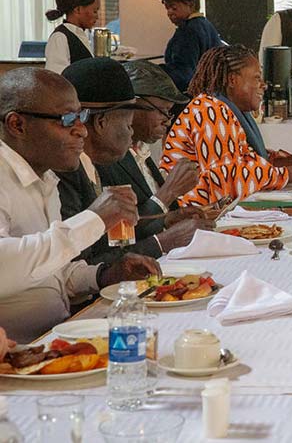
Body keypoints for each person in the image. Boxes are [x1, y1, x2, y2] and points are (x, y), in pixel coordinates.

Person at [0, 67, 159, 342]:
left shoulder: (45, 178)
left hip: (58, 337)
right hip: (16, 357)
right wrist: (95, 219)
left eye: (81, 117)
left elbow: (50, 273)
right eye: (67, 119)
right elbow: (5, 265)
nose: (81, 131)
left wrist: (105, 275)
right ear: (17, 125)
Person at [57, 58, 209, 265]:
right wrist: (161, 241)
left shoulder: (93, 162)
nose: (130, 132)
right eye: (127, 123)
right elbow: (82, 262)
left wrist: (164, 221)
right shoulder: (66, 172)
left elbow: (115, 236)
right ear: (101, 122)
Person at [162, 45, 292, 206]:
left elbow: (248, 161)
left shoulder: (223, 107)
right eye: (257, 78)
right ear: (232, 80)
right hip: (193, 218)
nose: (264, 85)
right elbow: (227, 182)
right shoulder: (210, 110)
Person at [97, 61, 208, 240]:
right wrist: (170, 190)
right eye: (163, 110)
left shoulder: (141, 149)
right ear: (133, 104)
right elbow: (117, 235)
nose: (168, 120)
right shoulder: (106, 158)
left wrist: (167, 220)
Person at [159, 0, 223, 92]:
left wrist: (154, 72)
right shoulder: (206, 25)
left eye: (173, 8)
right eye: (167, 8)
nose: (169, 13)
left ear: (191, 5)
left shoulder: (187, 31)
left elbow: (183, 74)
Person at [44, 0, 100, 74]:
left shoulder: (79, 34)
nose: (97, 16)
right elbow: (57, 79)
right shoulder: (60, 37)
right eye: (94, 11)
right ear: (78, 10)